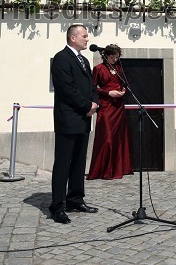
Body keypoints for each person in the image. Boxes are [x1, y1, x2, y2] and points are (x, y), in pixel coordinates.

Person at [49, 24, 99, 224]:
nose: (87, 39)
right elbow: (67, 89)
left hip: (84, 118)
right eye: (84, 36)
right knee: (63, 163)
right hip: (69, 119)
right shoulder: (61, 59)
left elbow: (91, 86)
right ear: (72, 38)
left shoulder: (84, 60)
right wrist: (87, 105)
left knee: (79, 162)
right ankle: (57, 206)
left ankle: (75, 199)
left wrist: (94, 103)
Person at [87, 44, 133, 180]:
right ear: (105, 56)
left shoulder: (119, 68)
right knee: (107, 137)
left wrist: (122, 91)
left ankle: (119, 168)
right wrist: (108, 92)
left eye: (117, 57)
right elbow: (93, 88)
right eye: (112, 57)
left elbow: (123, 83)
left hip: (118, 106)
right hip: (106, 106)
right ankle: (104, 170)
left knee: (118, 137)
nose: (114, 59)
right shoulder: (98, 69)